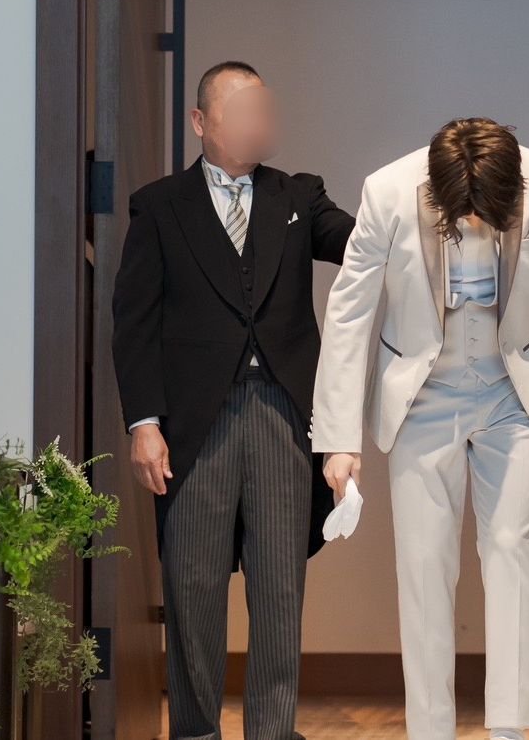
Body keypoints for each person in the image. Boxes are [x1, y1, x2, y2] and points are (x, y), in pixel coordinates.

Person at [309, 118, 529, 740]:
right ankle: (430, 731)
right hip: (421, 397)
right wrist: (338, 438)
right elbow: (349, 313)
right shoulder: (387, 191)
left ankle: (509, 731)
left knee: (511, 551)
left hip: (512, 392)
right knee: (423, 566)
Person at [111, 60, 354, 740]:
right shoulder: (159, 206)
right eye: (242, 109)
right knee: (192, 585)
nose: (259, 122)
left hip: (281, 412)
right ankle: (195, 731)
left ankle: (272, 732)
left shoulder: (298, 195)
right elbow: (134, 323)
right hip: (194, 423)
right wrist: (144, 423)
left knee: (279, 587)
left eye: (264, 109)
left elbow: (359, 242)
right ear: (201, 121)